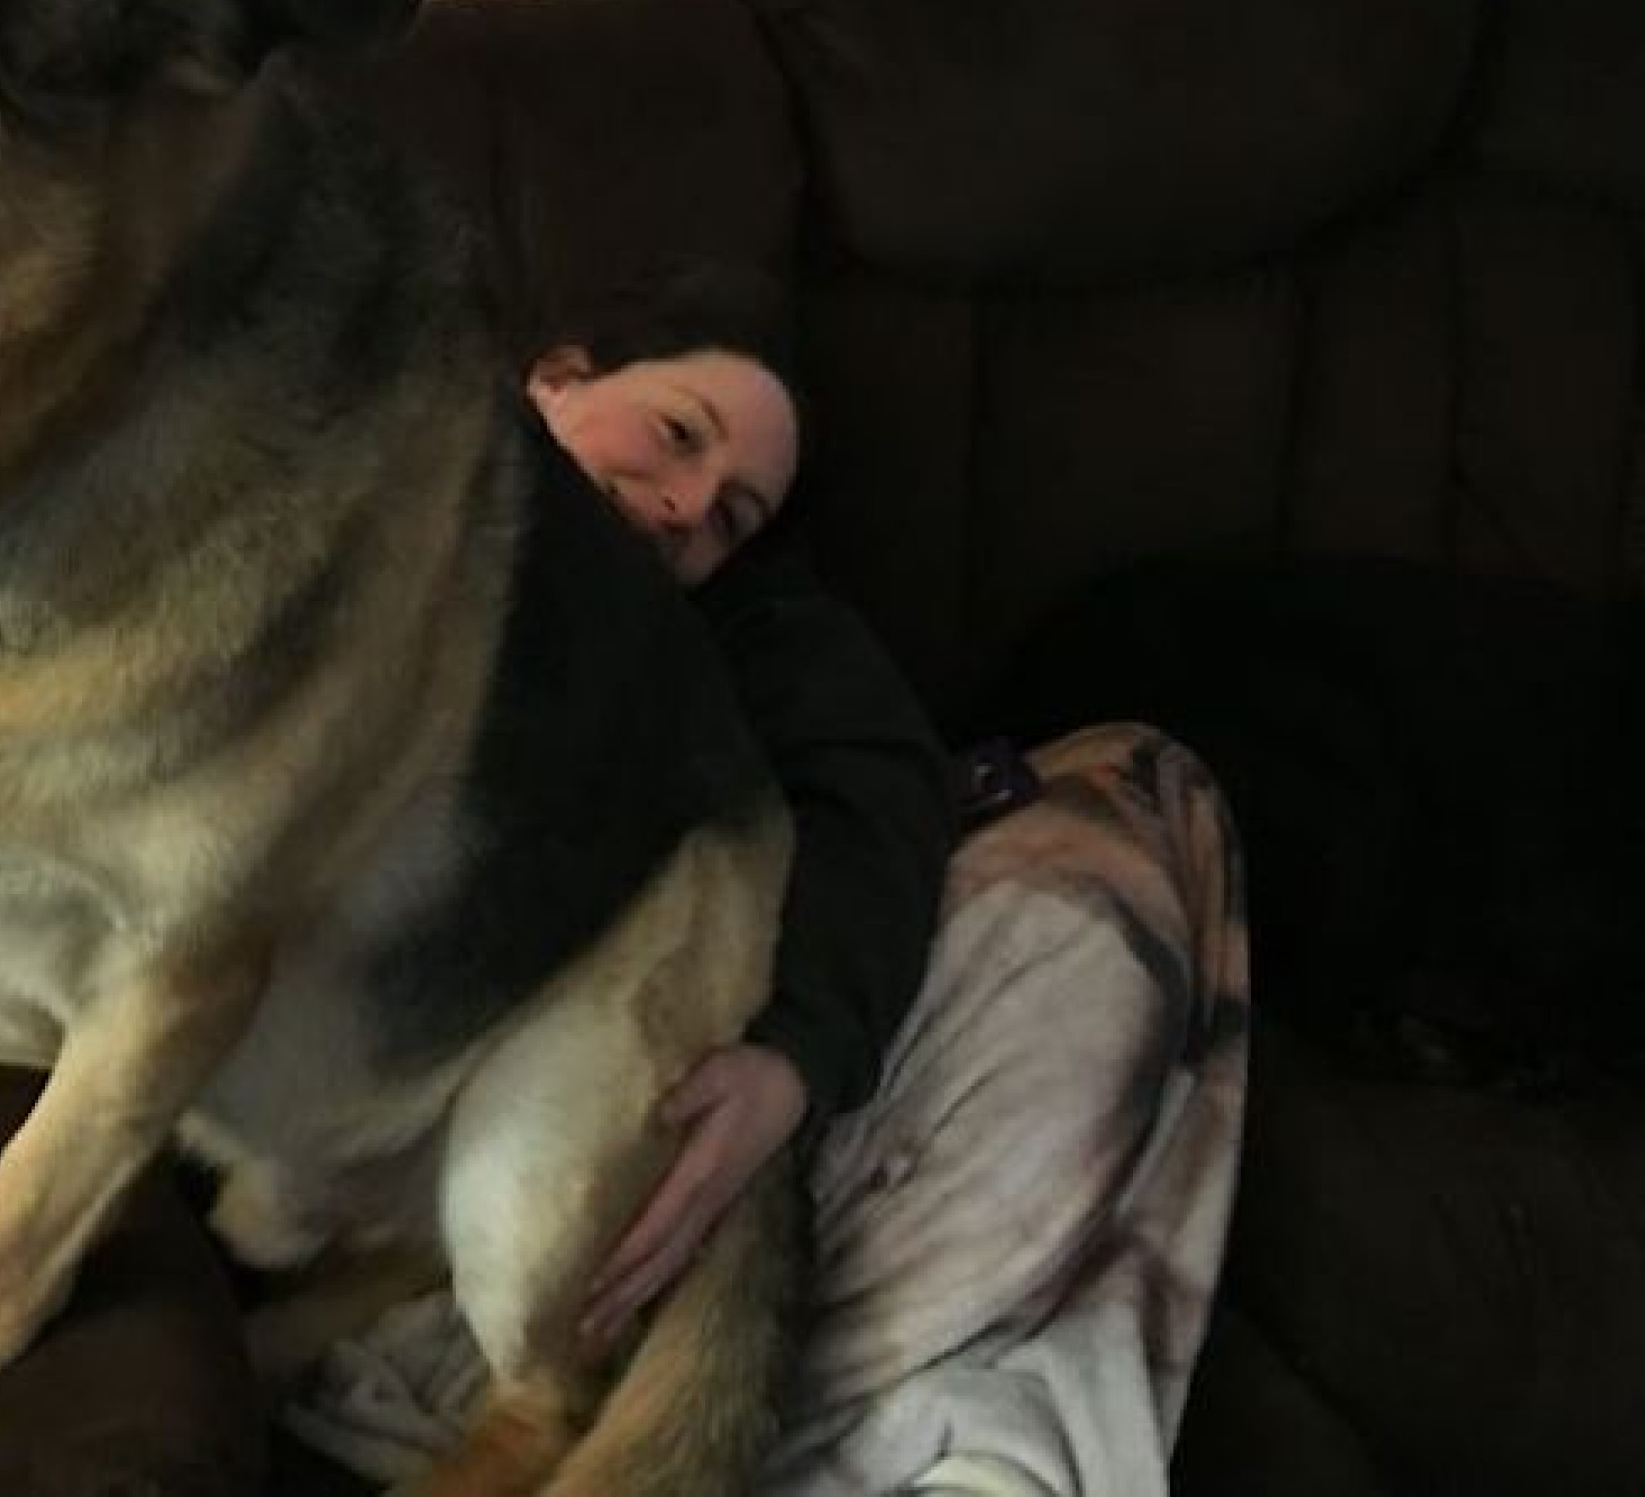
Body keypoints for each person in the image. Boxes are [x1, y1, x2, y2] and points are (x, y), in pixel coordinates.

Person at [282, 274, 1251, 1496]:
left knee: (1103, 871)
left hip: (715, 1035)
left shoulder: (745, 628)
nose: (688, 506)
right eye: (676, 432)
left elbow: (879, 792)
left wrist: (794, 1058)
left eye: (732, 515)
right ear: (556, 378)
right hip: (373, 1062)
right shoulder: (370, 463)